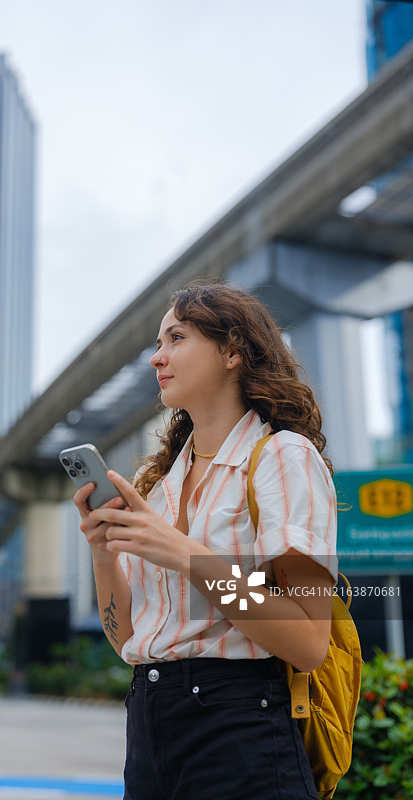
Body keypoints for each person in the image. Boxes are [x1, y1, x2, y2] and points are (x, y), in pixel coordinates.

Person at [73, 283, 337, 800]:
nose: (156, 357)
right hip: (149, 726)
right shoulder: (160, 484)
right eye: (158, 343)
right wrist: (103, 552)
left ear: (234, 351)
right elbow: (130, 639)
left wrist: (183, 553)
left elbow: (308, 643)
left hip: (240, 730)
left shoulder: (283, 457)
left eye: (175, 338)